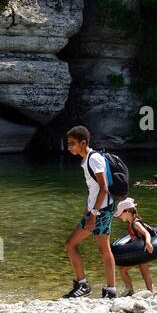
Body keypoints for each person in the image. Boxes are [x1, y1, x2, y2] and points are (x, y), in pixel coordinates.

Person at [62, 125, 117, 300]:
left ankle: (86, 285)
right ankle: (108, 289)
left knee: (72, 245)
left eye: (72, 144)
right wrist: (87, 210)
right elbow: (94, 189)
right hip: (99, 209)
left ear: (83, 143)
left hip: (100, 211)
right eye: (68, 144)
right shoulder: (87, 160)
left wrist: (92, 214)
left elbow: (104, 188)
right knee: (102, 249)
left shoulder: (93, 159)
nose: (69, 147)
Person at [113, 197, 156, 296]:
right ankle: (151, 293)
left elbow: (146, 233)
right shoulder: (131, 223)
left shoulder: (135, 223)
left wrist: (148, 243)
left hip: (142, 251)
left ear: (127, 211)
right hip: (139, 252)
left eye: (120, 214)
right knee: (145, 274)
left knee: (124, 270)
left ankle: (131, 291)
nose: (119, 216)